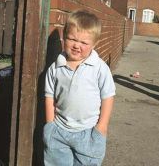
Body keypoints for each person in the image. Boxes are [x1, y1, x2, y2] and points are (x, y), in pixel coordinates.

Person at [43, 10, 115, 166]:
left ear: (94, 44)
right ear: (64, 37)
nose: (77, 45)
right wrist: (50, 124)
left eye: (84, 43)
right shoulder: (55, 67)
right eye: (72, 39)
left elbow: (108, 97)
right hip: (59, 130)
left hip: (88, 132)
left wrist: (102, 126)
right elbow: (49, 96)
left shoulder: (99, 68)